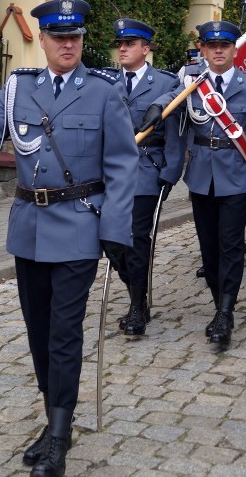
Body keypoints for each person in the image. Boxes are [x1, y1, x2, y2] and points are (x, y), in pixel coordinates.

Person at [0, 0, 138, 477]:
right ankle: (52, 418)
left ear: (82, 41)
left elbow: (123, 164)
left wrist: (114, 229)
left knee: (65, 333)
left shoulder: (104, 92)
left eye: (76, 37)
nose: (68, 44)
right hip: (29, 228)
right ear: (42, 40)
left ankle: (60, 438)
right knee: (39, 333)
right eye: (58, 36)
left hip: (80, 226)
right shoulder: (17, 88)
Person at [140, 20, 246, 348]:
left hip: (235, 175)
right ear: (202, 49)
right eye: (211, 45)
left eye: (225, 46)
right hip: (201, 176)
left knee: (230, 245)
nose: (218, 50)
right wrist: (158, 106)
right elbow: (172, 95)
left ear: (234, 50)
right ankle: (220, 301)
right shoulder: (192, 80)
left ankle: (225, 311)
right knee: (209, 248)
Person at [104, 18, 184, 336]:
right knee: (110, 240)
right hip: (110, 174)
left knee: (137, 239)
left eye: (130, 44)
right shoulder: (107, 82)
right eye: (120, 44)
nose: (122, 48)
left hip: (146, 171)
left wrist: (170, 172)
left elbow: (176, 135)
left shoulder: (166, 84)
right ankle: (138, 291)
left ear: (145, 49)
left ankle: (137, 306)